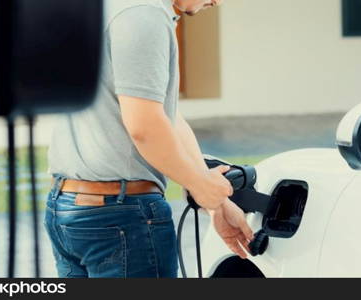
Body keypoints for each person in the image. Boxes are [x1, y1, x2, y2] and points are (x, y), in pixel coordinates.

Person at [44, 0, 253, 278]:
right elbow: (145, 126)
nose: (218, 2)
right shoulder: (145, 15)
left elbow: (165, 117)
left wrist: (215, 202)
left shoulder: (112, 8)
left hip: (69, 209)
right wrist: (199, 184)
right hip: (121, 218)